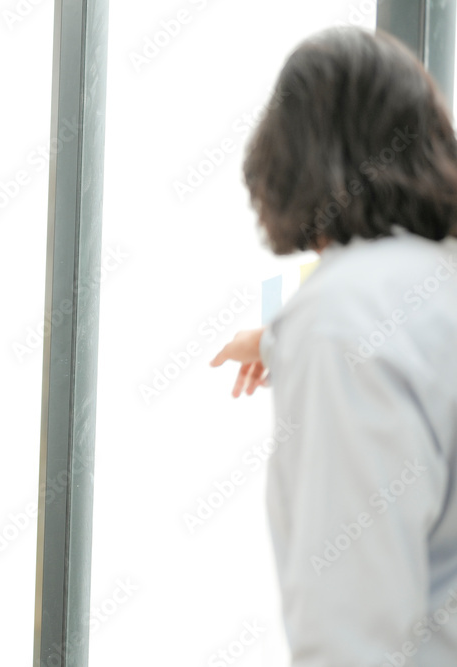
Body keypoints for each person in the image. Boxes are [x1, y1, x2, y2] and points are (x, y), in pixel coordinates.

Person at [211, 27, 457, 665]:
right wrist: (277, 340)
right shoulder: (433, 281)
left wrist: (305, 339)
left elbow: (354, 633)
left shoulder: (339, 319)